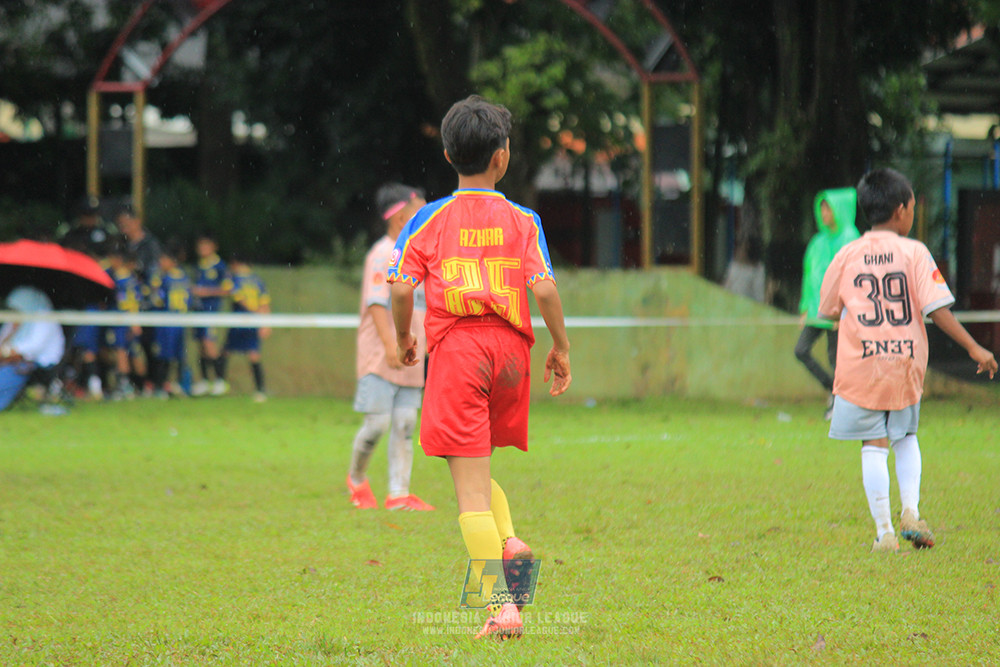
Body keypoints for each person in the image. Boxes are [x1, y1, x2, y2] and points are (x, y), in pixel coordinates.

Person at [387, 95, 572, 639]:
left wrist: (404, 336)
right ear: (503, 157)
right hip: (512, 353)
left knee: (466, 486)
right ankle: (510, 540)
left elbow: (400, 286)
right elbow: (542, 286)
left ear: (448, 154)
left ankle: (501, 608)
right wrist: (561, 347)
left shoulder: (430, 218)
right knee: (477, 464)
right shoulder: (523, 218)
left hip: (459, 350)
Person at [818, 168, 997, 553]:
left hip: (861, 363)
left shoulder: (846, 254)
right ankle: (911, 512)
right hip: (903, 361)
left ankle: (884, 533)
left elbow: (829, 309)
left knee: (873, 442)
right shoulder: (914, 252)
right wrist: (973, 347)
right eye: (913, 205)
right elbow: (937, 309)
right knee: (905, 436)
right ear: (901, 211)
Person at [346, 183, 434, 512]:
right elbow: (377, 304)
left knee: (406, 423)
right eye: (420, 211)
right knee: (377, 424)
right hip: (383, 354)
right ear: (400, 216)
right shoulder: (384, 253)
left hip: (409, 355)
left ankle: (399, 494)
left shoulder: (419, 254)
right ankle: (356, 479)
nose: (427, 217)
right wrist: (389, 345)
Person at [797, 187, 860, 419]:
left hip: (838, 313)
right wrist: (804, 307)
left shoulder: (850, 238)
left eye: (829, 207)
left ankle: (840, 404)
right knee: (801, 350)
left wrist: (844, 310)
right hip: (816, 311)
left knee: (837, 359)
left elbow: (853, 278)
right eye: (822, 208)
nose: (824, 213)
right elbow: (808, 274)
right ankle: (832, 389)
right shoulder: (817, 242)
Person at [117, 204, 162, 393]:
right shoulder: (121, 244)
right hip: (128, 303)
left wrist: (136, 272)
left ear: (137, 222)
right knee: (127, 345)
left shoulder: (150, 245)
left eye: (127, 224)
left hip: (147, 304)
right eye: (121, 225)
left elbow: (153, 274)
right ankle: (135, 383)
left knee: (149, 345)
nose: (124, 228)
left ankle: (153, 383)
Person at [0, 286, 66, 412]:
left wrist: (6, 353)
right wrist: (11, 332)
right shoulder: (15, 319)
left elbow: (31, 348)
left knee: (8, 372)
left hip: (38, 365)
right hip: (13, 360)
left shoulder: (44, 319)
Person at [222, 254, 271, 402]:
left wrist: (255, 313)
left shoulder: (234, 278)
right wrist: (265, 322)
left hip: (241, 319)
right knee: (248, 353)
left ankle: (219, 383)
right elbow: (265, 304)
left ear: (236, 263)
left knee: (228, 352)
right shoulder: (258, 281)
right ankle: (260, 390)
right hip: (252, 321)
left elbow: (236, 296)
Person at [147, 241, 192, 398]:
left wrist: (152, 293)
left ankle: (161, 387)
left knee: (163, 355)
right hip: (180, 321)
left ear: (171, 261)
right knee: (179, 355)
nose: (160, 263)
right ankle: (182, 386)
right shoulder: (184, 277)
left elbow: (158, 300)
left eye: (163, 259)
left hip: (167, 321)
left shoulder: (165, 279)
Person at [190, 234, 233, 397]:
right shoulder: (199, 266)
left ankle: (220, 380)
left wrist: (206, 292)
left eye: (205, 245)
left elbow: (227, 289)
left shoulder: (220, 266)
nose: (202, 249)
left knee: (210, 345)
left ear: (213, 246)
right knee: (201, 346)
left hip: (211, 311)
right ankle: (204, 381)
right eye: (200, 245)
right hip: (198, 311)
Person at [104, 240, 144, 400]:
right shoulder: (131, 278)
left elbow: (127, 302)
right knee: (132, 352)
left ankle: (125, 385)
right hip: (129, 319)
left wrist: (133, 321)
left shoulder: (121, 279)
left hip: (123, 319)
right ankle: (141, 386)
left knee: (122, 352)